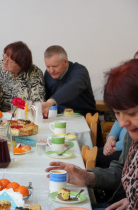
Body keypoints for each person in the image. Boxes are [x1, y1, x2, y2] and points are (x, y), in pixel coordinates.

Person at [46, 59, 138, 209]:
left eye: (132, 113)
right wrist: (88, 177)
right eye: (117, 113)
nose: (122, 123)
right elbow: (121, 170)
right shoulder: (132, 134)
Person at [0, 41, 45, 112]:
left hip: (23, 115)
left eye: (10, 61)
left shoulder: (35, 73)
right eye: (5, 56)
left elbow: (38, 103)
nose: (5, 62)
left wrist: (18, 112)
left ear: (21, 63)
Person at [42, 45, 97, 117]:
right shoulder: (48, 74)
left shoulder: (80, 71)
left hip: (84, 117)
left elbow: (73, 87)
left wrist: (50, 102)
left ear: (65, 62)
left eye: (55, 66)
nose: (51, 71)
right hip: (59, 118)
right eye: (48, 66)